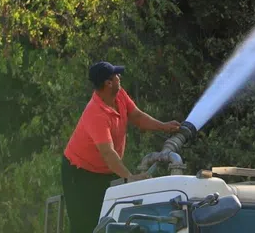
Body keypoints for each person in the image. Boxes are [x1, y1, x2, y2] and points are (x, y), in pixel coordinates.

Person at [60, 61, 181, 233]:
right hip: (79, 173)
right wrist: (130, 178)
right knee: (84, 224)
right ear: (108, 83)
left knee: (108, 217)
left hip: (103, 170)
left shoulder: (119, 95)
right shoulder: (95, 113)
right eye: (116, 75)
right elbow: (108, 153)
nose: (120, 77)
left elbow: (137, 117)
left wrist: (164, 126)